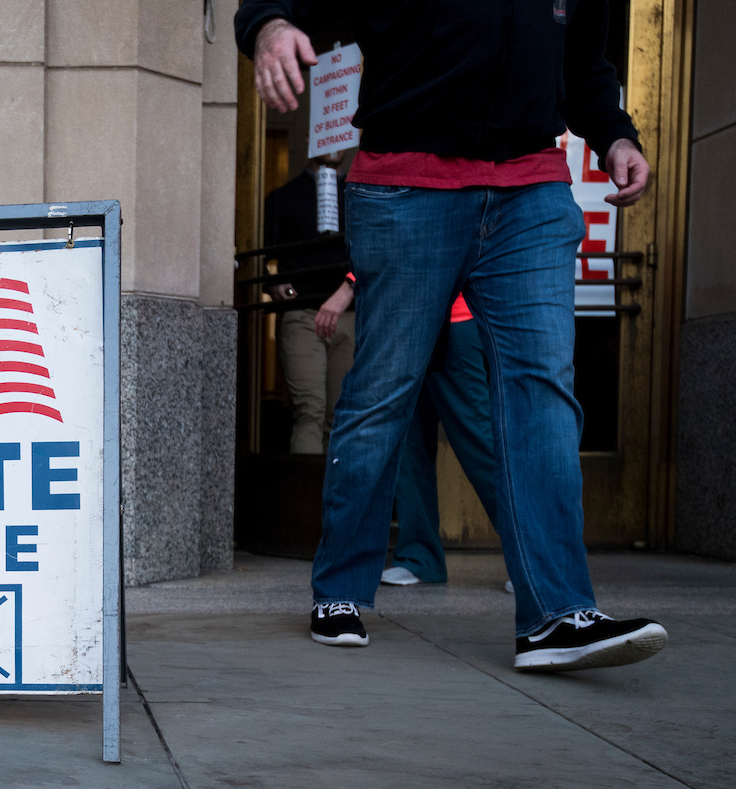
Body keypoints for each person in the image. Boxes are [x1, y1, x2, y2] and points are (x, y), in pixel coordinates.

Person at [235, 1, 668, 672]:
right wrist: (269, 25)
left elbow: (586, 68)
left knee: (542, 393)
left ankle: (555, 614)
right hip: (408, 185)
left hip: (530, 189)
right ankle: (341, 588)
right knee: (383, 392)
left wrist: (615, 135)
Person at [384, 295, 499, 587]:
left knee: (480, 441)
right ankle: (420, 558)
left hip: (452, 319)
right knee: (408, 443)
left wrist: (350, 283)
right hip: (404, 323)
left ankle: (537, 560)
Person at [265, 152, 355, 454]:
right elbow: (259, 253)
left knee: (341, 418)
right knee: (310, 412)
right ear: (311, 138)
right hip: (302, 315)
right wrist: (274, 283)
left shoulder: (361, 195)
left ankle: (335, 501)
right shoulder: (284, 197)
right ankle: (307, 500)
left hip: (351, 318)